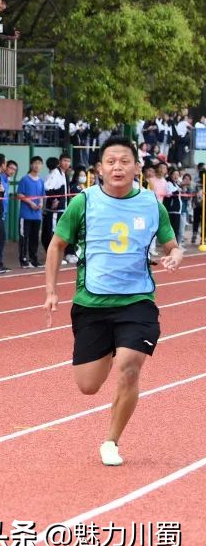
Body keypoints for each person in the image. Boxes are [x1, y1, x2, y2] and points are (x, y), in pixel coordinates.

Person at [43, 136, 182, 467]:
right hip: (91, 303)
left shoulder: (151, 204)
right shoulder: (84, 202)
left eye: (124, 161)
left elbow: (171, 244)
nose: (117, 167)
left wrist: (175, 255)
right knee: (88, 386)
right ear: (99, 169)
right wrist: (51, 290)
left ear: (136, 167)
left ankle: (111, 441)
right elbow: (56, 245)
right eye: (110, 161)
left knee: (130, 366)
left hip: (137, 301)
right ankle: (107, 349)